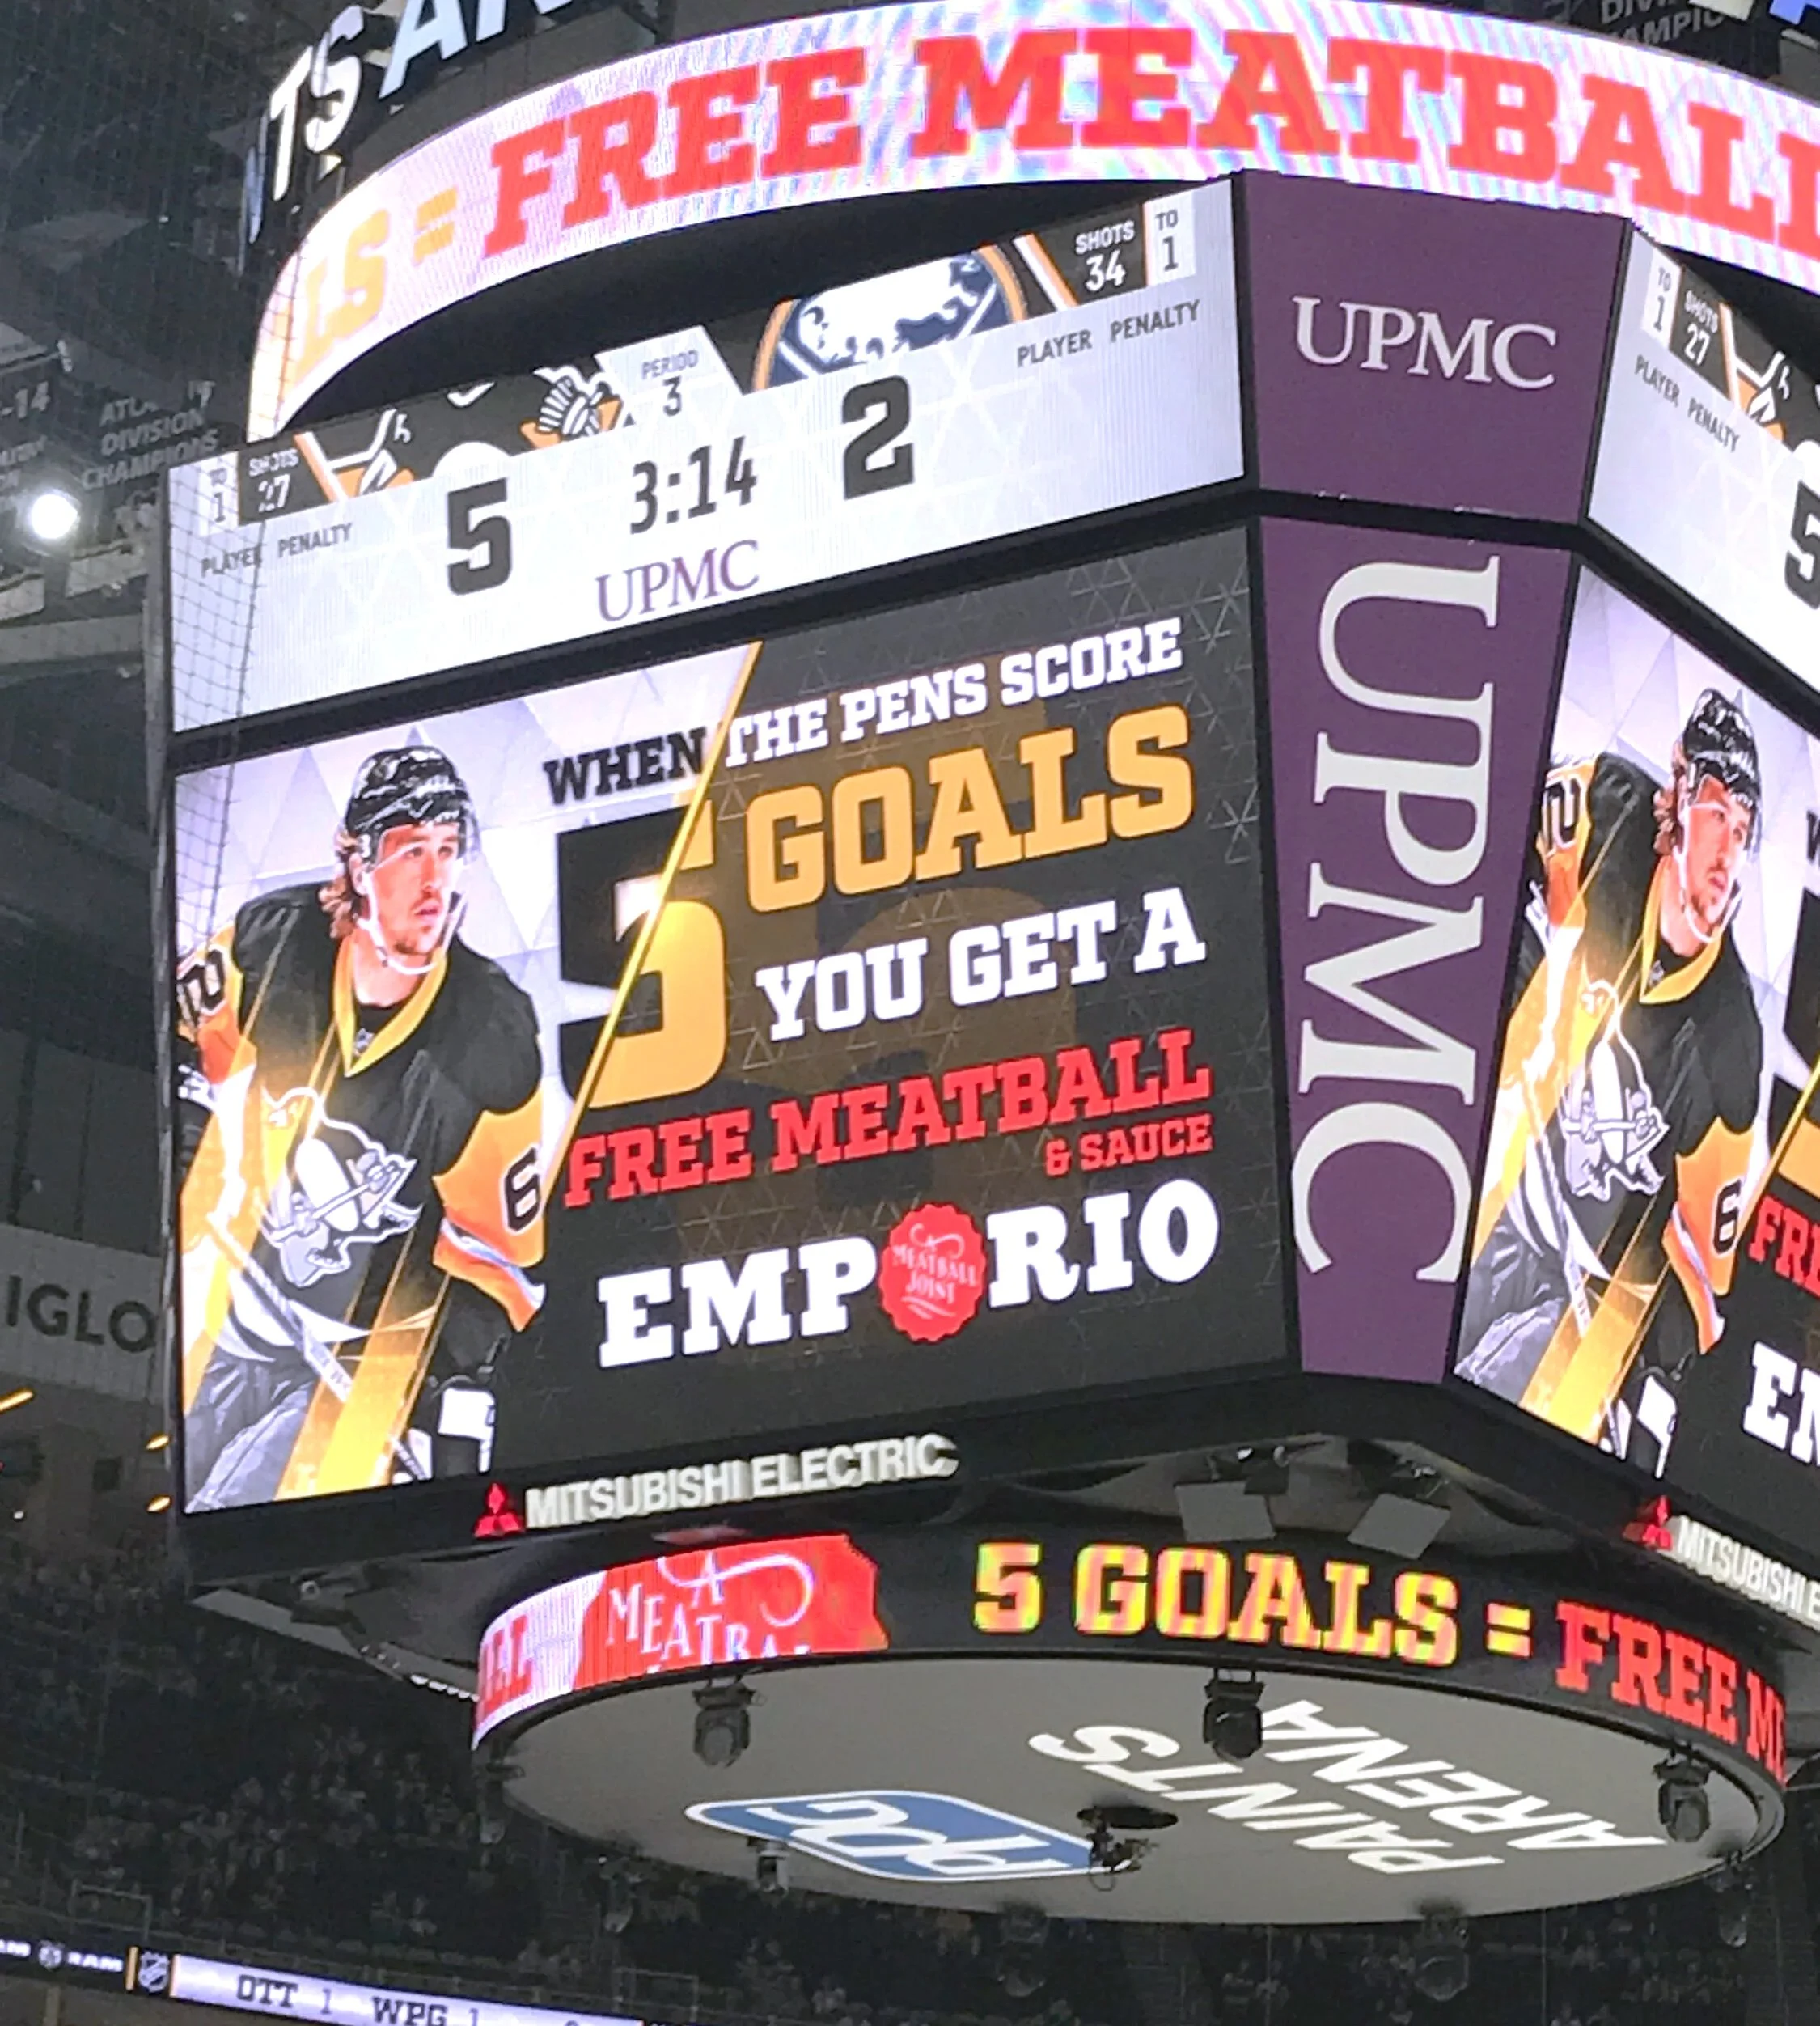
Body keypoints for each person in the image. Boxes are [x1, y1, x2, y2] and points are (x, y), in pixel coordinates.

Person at [176, 746, 544, 1510]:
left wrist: (444, 1382)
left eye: (448, 848)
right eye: (411, 850)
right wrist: (187, 1154)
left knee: (232, 1512)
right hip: (234, 1321)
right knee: (161, 1500)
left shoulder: (492, 1034)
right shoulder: (271, 943)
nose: (435, 878)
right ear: (357, 862)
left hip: (357, 1364)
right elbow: (179, 1042)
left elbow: (501, 1268)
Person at [1456, 689, 1763, 1473]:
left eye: (1743, 829)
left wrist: (1634, 1393)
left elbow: (1700, 1283)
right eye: (1717, 815)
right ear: (1678, 800)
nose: (1728, 851)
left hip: (1570, 1280)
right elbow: (1472, 866)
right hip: (1484, 1179)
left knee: (1498, 1417)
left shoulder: (1730, 1043)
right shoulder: (1604, 807)